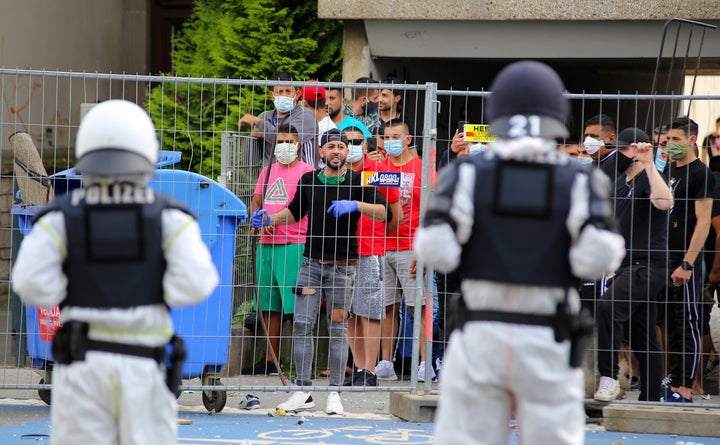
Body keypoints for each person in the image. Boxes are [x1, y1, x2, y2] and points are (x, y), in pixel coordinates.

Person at [414, 61, 625, 445]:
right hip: (548, 334)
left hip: (480, 332)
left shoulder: (467, 172)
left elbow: (434, 249)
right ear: (557, 116)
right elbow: (597, 259)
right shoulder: (580, 178)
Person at [11, 100, 219, 445]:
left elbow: (30, 285)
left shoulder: (61, 217)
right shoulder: (170, 218)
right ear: (148, 157)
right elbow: (198, 283)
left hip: (82, 367)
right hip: (144, 364)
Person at [252, 129, 388, 414]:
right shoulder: (309, 180)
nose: (337, 151)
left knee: (337, 329)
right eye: (332, 146)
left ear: (347, 151)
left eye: (342, 146)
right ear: (322, 152)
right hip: (311, 265)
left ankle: (335, 393)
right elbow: (293, 212)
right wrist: (268, 216)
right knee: (302, 325)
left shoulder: (358, 180)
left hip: (344, 269)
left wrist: (357, 204)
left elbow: (384, 212)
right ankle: (303, 391)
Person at [594, 128, 673, 403]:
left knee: (607, 307)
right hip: (625, 265)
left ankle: (608, 376)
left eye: (628, 149)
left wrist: (650, 164)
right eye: (622, 149)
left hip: (649, 265)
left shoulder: (650, 177)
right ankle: (651, 398)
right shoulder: (618, 181)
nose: (624, 154)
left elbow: (664, 203)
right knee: (643, 334)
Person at [241, 123, 315, 376]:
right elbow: (257, 200)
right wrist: (258, 221)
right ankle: (272, 361)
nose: (284, 146)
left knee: (295, 307)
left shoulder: (308, 172)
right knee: (270, 306)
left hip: (293, 243)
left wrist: (274, 220)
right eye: (280, 142)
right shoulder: (267, 171)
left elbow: (304, 208)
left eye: (288, 141)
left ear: (298, 144)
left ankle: (302, 363)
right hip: (266, 245)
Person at [342, 126, 402, 386]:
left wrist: (379, 237)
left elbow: (395, 214)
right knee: (349, 313)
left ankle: (369, 370)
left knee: (371, 312)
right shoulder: (338, 174)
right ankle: (358, 368)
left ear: (366, 146)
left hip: (370, 250)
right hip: (342, 253)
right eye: (347, 142)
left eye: (357, 142)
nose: (352, 147)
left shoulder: (380, 173)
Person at [376, 119, 435, 382]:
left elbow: (434, 213)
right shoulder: (379, 168)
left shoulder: (423, 169)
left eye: (395, 136)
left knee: (418, 308)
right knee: (387, 307)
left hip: (411, 247)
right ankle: (386, 362)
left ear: (408, 139)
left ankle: (426, 363)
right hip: (382, 247)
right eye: (386, 137)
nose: (390, 142)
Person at [660, 116, 714, 403]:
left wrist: (688, 263)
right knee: (670, 320)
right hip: (664, 257)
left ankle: (686, 385)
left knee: (688, 320)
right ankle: (673, 378)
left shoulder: (700, 173)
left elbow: (703, 222)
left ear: (692, 140)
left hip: (685, 260)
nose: (670, 145)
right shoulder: (669, 170)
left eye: (676, 140)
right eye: (668, 140)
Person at [239, 72, 319, 167]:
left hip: (300, 178)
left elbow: (286, 138)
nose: (284, 96)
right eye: (279, 92)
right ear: (272, 95)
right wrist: (252, 137)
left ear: (297, 94)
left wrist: (259, 123)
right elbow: (250, 160)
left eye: (288, 91)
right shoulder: (265, 117)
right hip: (270, 178)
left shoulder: (306, 116)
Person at [582, 113, 618, 178]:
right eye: (586, 135)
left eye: (594, 136)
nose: (588, 140)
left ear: (612, 138)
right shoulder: (591, 165)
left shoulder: (619, 165)